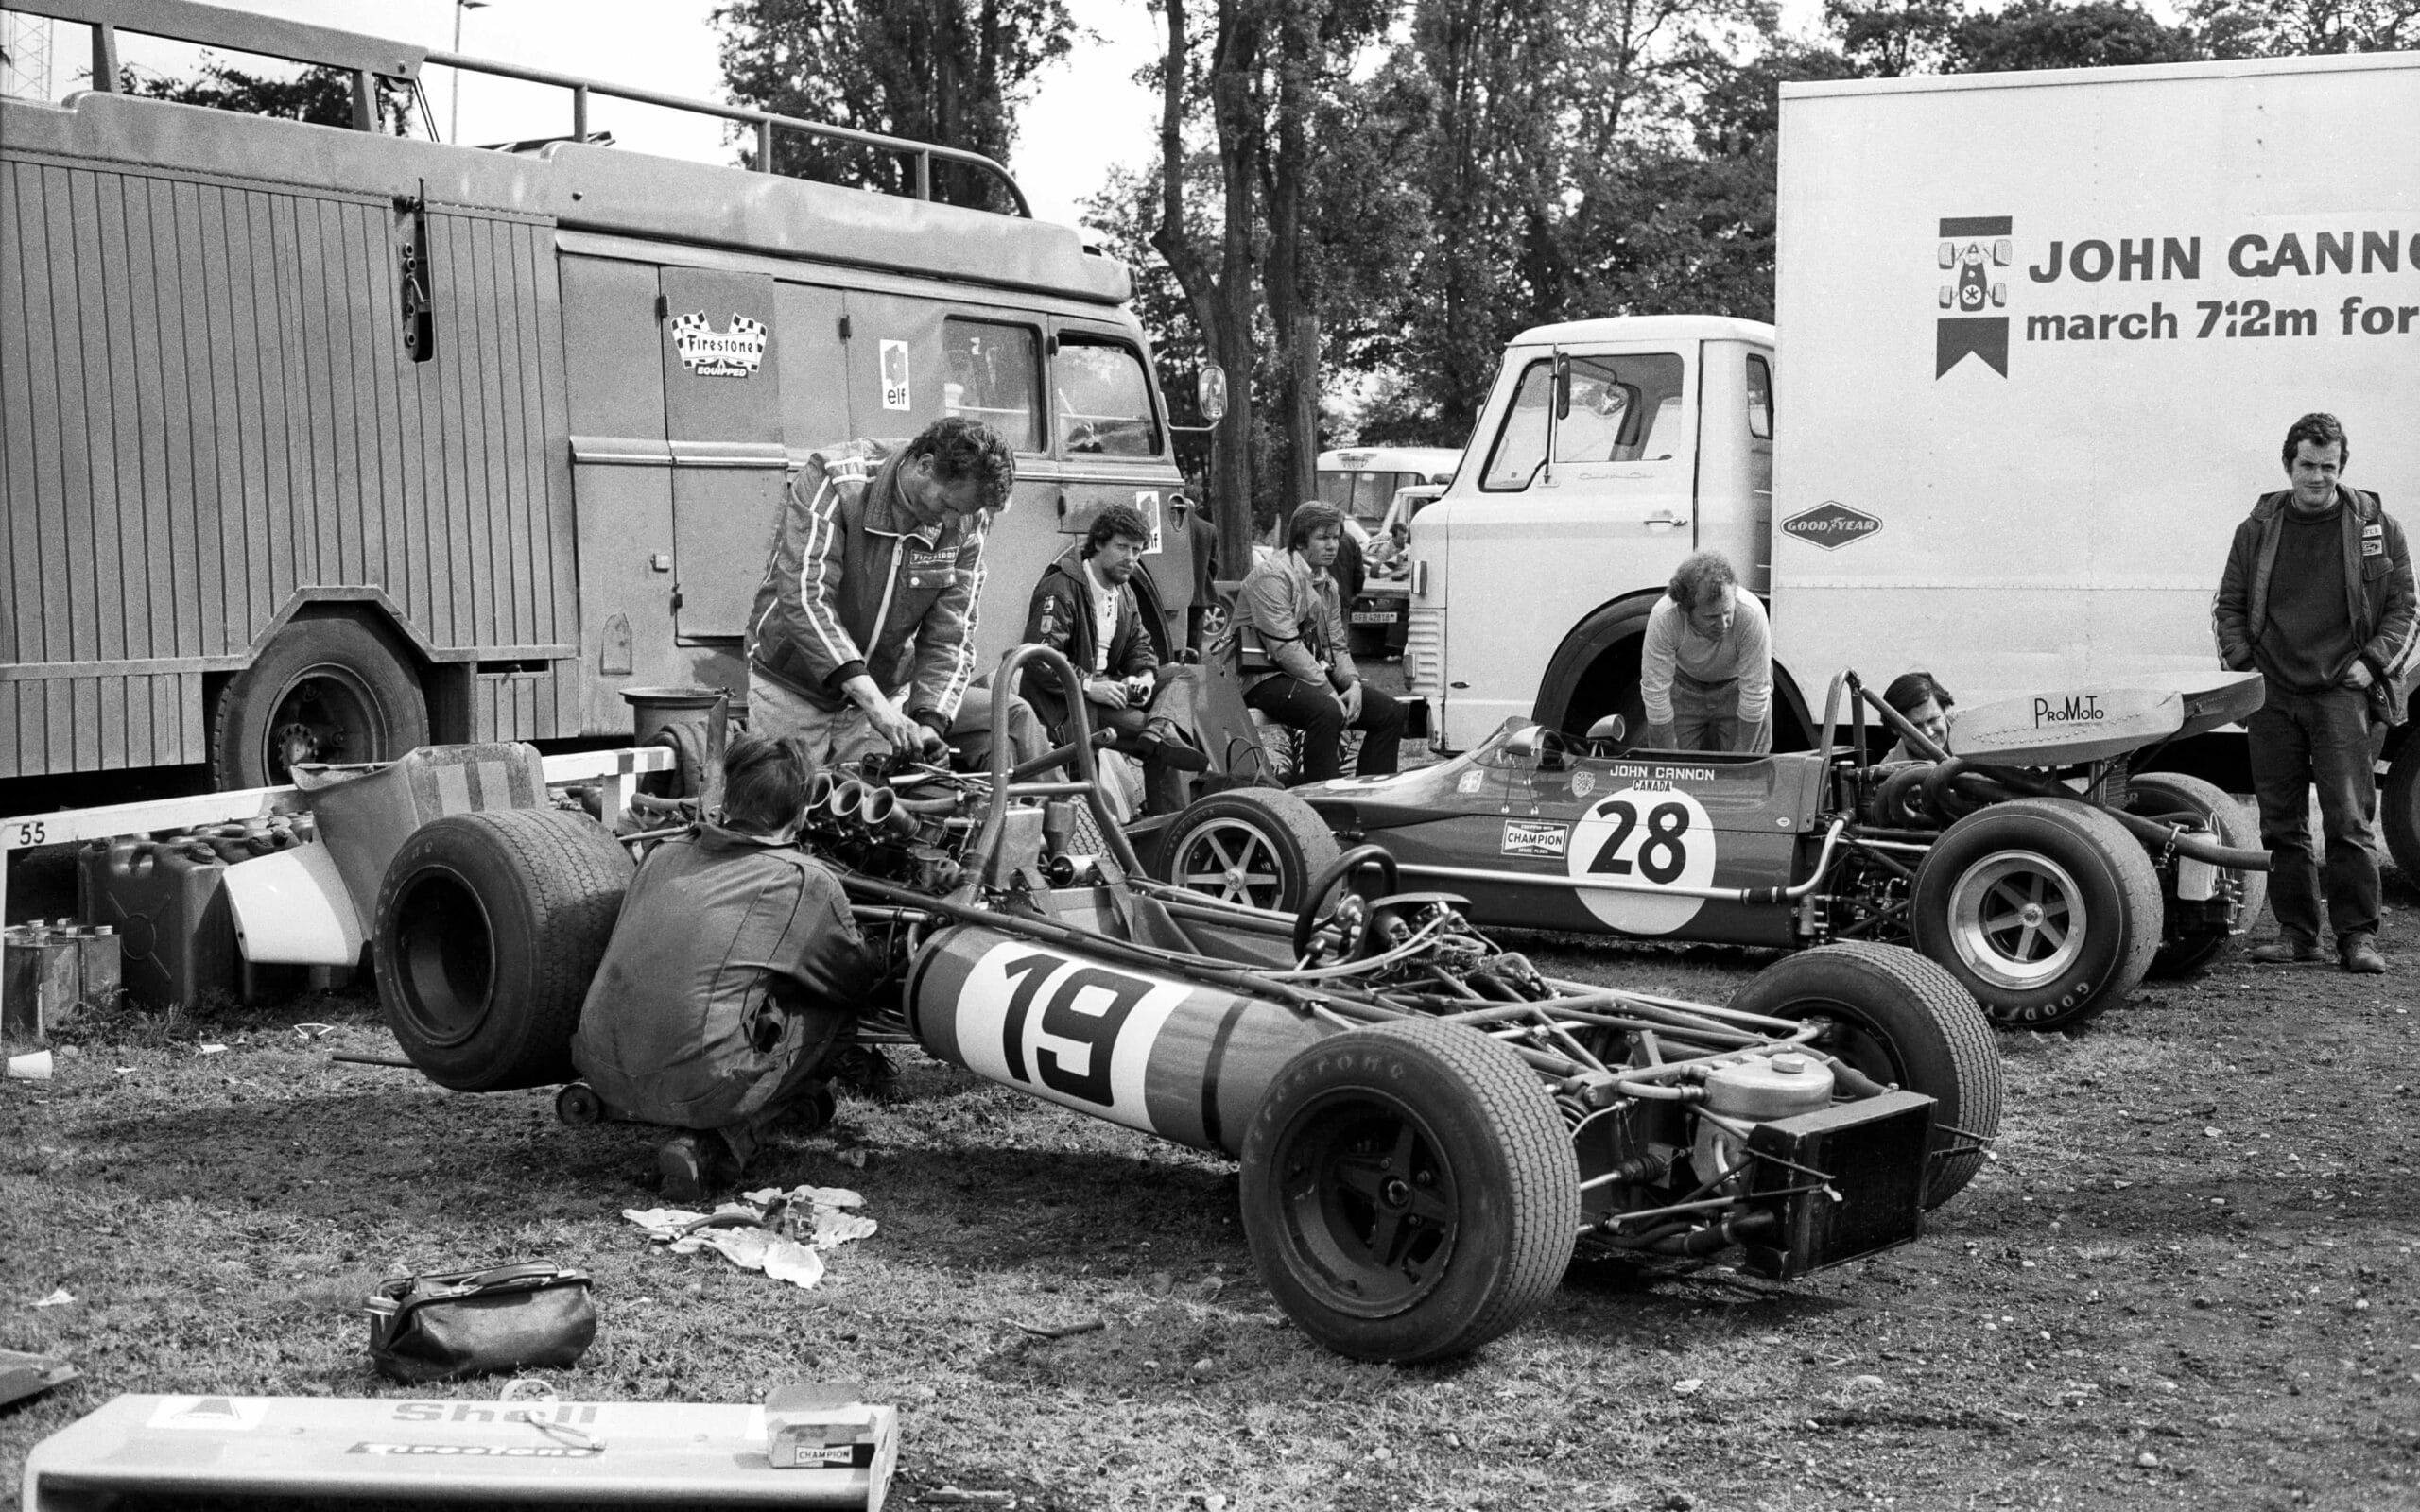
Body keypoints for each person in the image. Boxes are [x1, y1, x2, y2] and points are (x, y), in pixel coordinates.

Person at [571, 733, 890, 1200]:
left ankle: (659, 1099)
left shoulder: (662, 852)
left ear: (727, 796)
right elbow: (852, 982)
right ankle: (721, 1144)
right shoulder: (801, 880)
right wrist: (891, 952)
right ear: (802, 813)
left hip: (599, 1065)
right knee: (833, 1017)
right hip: (698, 1089)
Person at [2213, 411, 2414, 975]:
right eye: (2307, 465)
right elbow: (2227, 607)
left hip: (2340, 696)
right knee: (2279, 823)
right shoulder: (2256, 529)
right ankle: (2299, 936)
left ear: (2341, 467)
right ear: (2289, 465)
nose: (2317, 477)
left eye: (2328, 466)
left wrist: (2369, 665)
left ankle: (2358, 939)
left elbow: (2405, 611)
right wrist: (2248, 670)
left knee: (2348, 821)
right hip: (2273, 694)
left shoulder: (2377, 527)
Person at [745, 416, 1041, 769]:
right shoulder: (836, 480)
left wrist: (930, 720)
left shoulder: (967, 518)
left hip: (882, 701)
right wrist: (875, 705)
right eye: (946, 505)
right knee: (778, 814)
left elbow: (952, 633)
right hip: (792, 690)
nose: (949, 523)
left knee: (871, 820)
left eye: (962, 513)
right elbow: (806, 598)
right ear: (926, 466)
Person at [1021, 502, 1208, 815]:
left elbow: (1141, 645)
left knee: (1182, 673)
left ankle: (1160, 728)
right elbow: (1040, 657)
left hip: (1110, 689)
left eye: (1137, 551)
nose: (1131, 559)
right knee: (1163, 746)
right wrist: (1089, 685)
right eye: (1122, 547)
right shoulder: (1061, 586)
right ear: (1097, 543)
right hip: (1068, 703)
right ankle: (1171, 827)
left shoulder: (1124, 591)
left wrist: (1146, 678)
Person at [1238, 501, 1408, 783]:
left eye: (1335, 537)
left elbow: (1336, 645)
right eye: (1322, 537)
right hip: (1260, 676)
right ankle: (1324, 807)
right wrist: (1329, 690)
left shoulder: (1326, 582)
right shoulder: (1271, 576)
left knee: (1389, 713)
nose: (1332, 546)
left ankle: (1370, 802)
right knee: (1327, 712)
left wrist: (1352, 683)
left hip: (1302, 673)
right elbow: (1284, 645)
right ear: (1300, 543)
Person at [1638, 551, 1774, 754]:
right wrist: (1668, 763)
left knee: (1749, 772)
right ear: (1685, 609)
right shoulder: (1665, 617)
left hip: (1738, 687)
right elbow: (1655, 693)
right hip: (1684, 687)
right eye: (1711, 617)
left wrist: (1740, 764)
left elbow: (1755, 694)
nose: (1723, 624)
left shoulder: (1751, 613)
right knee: (1670, 770)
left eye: (1727, 613)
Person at [1880, 670, 1955, 763]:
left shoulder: (1974, 734)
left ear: (1944, 711)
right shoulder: (1886, 771)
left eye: (1932, 720)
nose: (1929, 733)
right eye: (1916, 727)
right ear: (1895, 729)